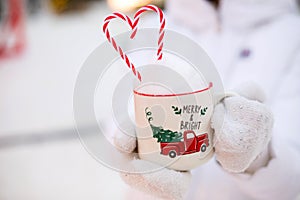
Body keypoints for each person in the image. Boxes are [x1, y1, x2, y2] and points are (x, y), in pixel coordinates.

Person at [113, 0, 300, 199]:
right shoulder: (153, 28)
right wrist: (131, 149)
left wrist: (258, 156)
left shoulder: (291, 35)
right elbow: (118, 121)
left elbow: (292, 186)